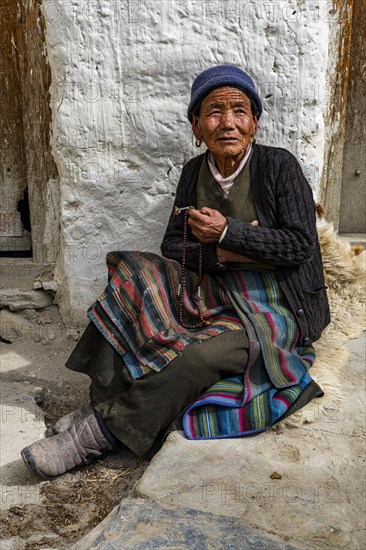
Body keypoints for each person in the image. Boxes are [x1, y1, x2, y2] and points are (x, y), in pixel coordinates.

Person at [21, 64, 330, 480]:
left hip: (273, 306)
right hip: (212, 287)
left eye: (239, 111)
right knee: (132, 279)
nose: (228, 123)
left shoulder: (279, 167)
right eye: (214, 112)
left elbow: (299, 245)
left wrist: (226, 233)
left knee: (198, 354)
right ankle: (105, 400)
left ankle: (95, 435)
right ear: (196, 125)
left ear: (254, 123)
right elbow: (172, 245)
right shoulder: (193, 172)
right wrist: (227, 254)